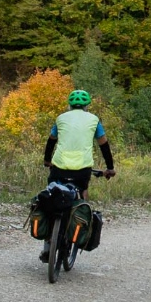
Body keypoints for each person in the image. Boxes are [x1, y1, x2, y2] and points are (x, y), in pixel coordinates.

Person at [39, 88, 114, 258]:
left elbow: (51, 142)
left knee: (51, 196)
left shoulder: (61, 118)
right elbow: (104, 145)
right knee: (83, 194)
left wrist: (46, 160)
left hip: (58, 166)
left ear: (69, 105)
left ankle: (47, 245)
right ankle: (80, 227)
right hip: (82, 168)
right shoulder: (94, 120)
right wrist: (110, 167)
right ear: (87, 105)